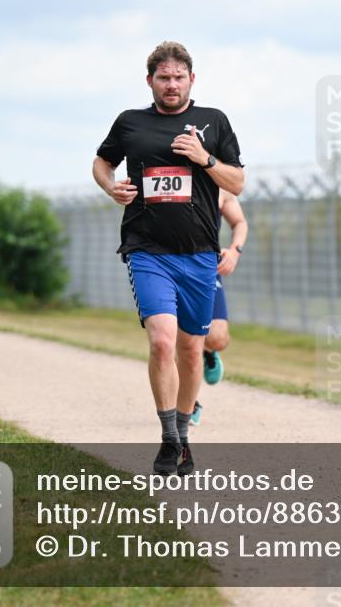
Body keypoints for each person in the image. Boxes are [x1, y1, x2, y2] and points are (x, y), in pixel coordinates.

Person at [92, 42, 244, 476]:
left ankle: (184, 433)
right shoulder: (130, 122)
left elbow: (237, 181)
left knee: (191, 351)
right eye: (164, 77)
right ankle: (169, 439)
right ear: (150, 81)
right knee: (162, 341)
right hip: (147, 251)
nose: (172, 84)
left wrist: (205, 158)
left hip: (199, 255)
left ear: (191, 80)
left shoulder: (214, 121)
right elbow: (101, 163)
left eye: (179, 77)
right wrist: (111, 186)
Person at [191, 188, 249, 426]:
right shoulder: (167, 174)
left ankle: (208, 350)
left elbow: (239, 222)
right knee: (177, 336)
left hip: (207, 265)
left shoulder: (220, 186)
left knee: (217, 338)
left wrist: (235, 251)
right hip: (168, 263)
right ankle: (189, 403)